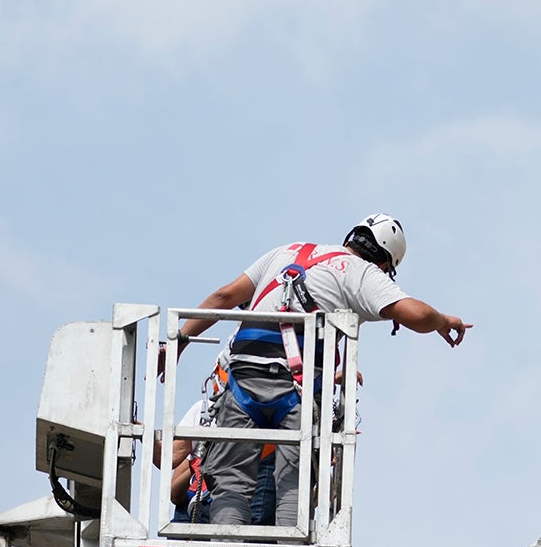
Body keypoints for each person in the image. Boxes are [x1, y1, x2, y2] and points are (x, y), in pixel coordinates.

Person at [161, 214, 469, 527]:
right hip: (295, 392)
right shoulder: (361, 273)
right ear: (384, 263)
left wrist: (179, 342)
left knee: (231, 485)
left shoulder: (288, 251)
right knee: (292, 483)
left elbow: (223, 297)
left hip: (242, 380)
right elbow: (416, 314)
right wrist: (444, 321)